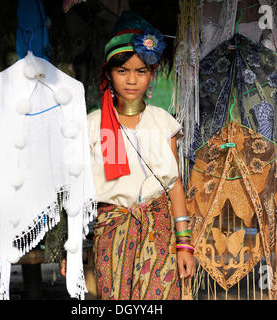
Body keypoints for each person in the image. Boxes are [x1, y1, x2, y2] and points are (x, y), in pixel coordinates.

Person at [61, 11, 196, 300]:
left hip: (159, 234)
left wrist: (184, 245)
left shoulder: (163, 123)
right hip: (112, 235)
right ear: (108, 74)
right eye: (122, 71)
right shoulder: (92, 126)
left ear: (151, 74)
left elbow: (174, 186)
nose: (131, 80)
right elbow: (77, 191)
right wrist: (71, 248)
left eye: (140, 71)